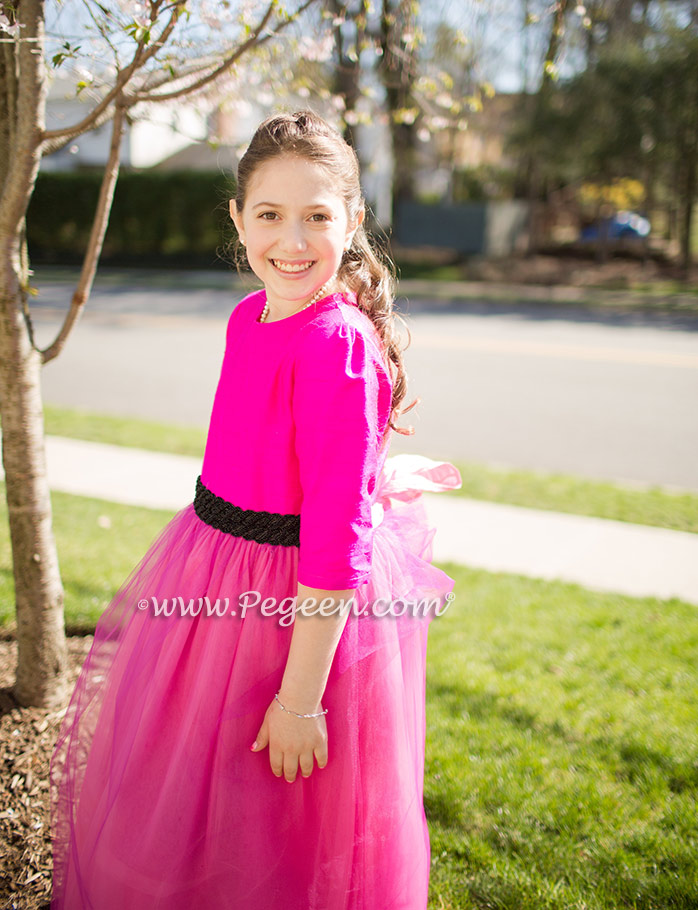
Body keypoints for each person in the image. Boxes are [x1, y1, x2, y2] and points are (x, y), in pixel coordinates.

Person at [49, 110, 462, 910]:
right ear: (238, 220)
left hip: (296, 613)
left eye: (318, 216)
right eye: (270, 215)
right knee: (192, 789)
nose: (292, 240)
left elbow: (334, 540)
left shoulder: (337, 346)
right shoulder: (249, 318)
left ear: (352, 221)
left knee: (276, 811)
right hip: (211, 575)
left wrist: (301, 698)